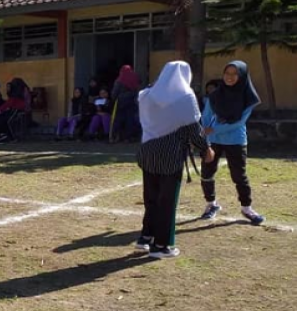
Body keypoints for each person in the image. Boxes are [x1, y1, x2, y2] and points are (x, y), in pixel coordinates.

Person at [136, 61, 214, 259]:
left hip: (147, 150)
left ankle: (145, 237)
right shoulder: (185, 97)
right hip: (170, 154)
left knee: (151, 198)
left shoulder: (146, 95)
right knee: (167, 201)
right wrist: (206, 148)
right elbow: (194, 129)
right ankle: (161, 245)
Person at [199, 60, 265, 225]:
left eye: (234, 74)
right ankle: (211, 204)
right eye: (227, 73)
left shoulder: (248, 97)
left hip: (236, 140)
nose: (230, 77)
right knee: (207, 172)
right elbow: (206, 116)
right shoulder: (215, 95)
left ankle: (247, 208)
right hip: (213, 140)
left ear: (242, 76)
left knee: (239, 176)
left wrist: (214, 130)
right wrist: (205, 136)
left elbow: (239, 122)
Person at [0, 78, 31, 144]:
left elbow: (10, 103)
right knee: (2, 118)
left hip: (17, 109)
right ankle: (2, 135)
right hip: (16, 108)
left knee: (8, 121)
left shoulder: (19, 92)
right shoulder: (21, 91)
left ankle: (12, 138)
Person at [111, 65, 141, 142]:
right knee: (130, 119)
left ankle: (115, 136)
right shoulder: (135, 78)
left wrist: (113, 99)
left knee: (119, 119)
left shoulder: (120, 80)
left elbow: (115, 92)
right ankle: (128, 137)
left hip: (121, 101)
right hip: (132, 101)